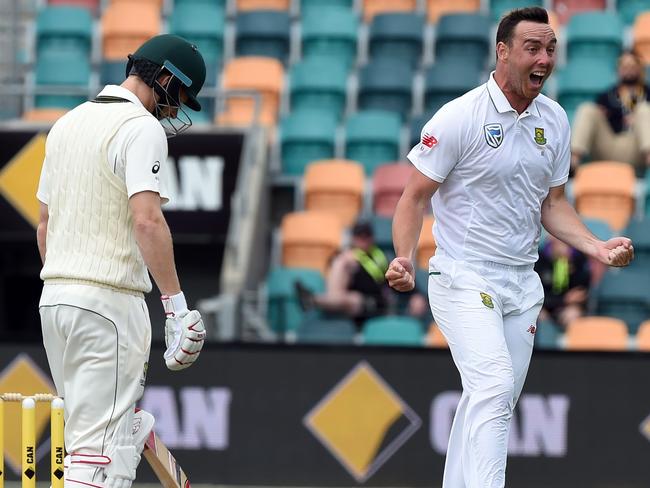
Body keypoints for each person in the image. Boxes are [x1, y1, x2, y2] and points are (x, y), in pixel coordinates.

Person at [385, 7, 634, 488]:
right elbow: (414, 196)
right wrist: (404, 257)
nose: (544, 59)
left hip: (522, 284)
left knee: (488, 399)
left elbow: (553, 204)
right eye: (532, 48)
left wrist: (596, 247)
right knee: (494, 387)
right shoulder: (460, 116)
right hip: (463, 276)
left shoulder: (555, 120)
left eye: (551, 50)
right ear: (502, 52)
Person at [36, 34, 208, 488]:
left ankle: (125, 434)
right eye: (180, 98)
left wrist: (66, 286)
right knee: (97, 463)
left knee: (89, 444)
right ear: (166, 78)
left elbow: (43, 226)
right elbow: (147, 222)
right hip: (109, 306)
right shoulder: (141, 127)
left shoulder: (66, 124)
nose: (175, 112)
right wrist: (176, 308)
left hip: (55, 302)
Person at [295, 220, 428, 329]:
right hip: (357, 307)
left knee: (355, 299)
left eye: (366, 236)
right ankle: (314, 299)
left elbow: (399, 276)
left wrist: (415, 295)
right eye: (359, 236)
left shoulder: (380, 256)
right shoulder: (346, 257)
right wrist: (344, 261)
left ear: (372, 238)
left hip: (378, 304)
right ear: (353, 238)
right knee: (352, 292)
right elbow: (333, 271)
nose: (363, 240)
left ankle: (313, 300)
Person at [571, 50, 650, 176]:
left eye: (632, 66)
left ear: (640, 69)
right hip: (609, 144)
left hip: (638, 147)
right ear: (618, 70)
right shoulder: (607, 96)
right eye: (624, 66)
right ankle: (573, 163)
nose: (628, 70)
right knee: (587, 109)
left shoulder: (648, 93)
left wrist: (638, 119)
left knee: (644, 109)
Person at [535, 234, 591, 329]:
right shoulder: (539, 258)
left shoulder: (578, 258)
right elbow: (536, 294)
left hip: (568, 307)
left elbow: (580, 292)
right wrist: (563, 300)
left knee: (572, 315)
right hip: (544, 306)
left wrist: (569, 266)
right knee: (537, 315)